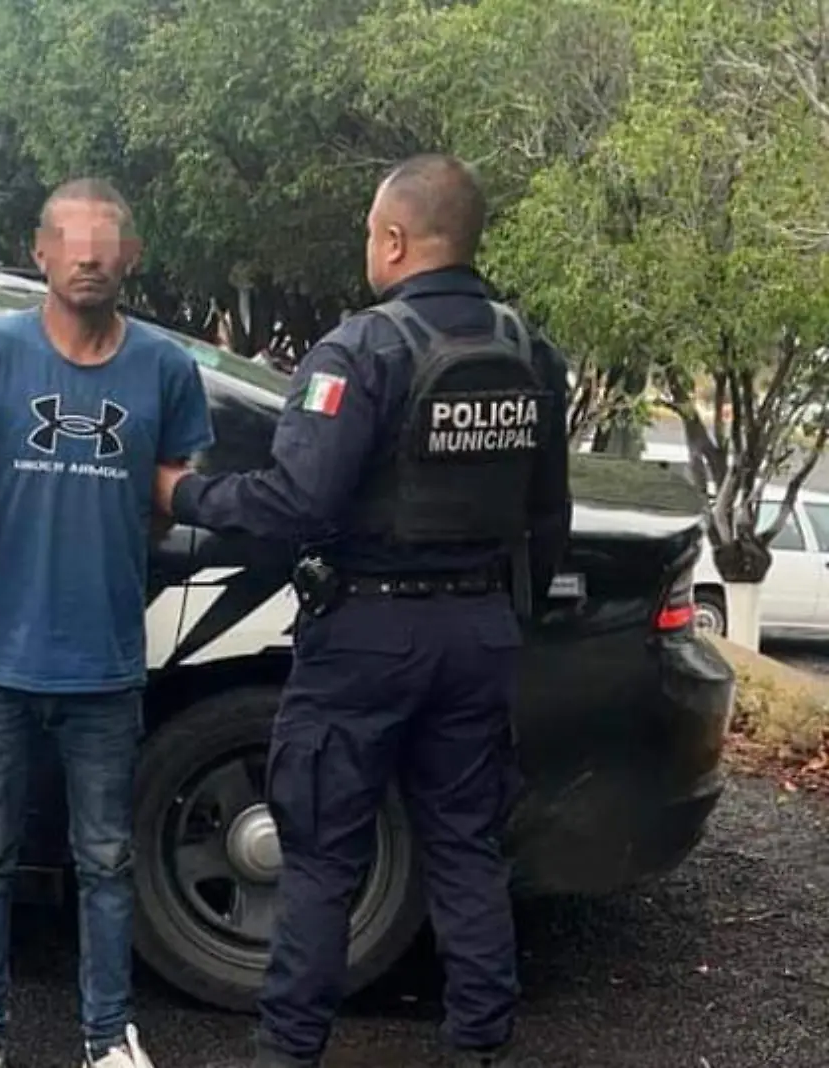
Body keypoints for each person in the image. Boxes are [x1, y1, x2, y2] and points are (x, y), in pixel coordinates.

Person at [157, 155, 573, 1068]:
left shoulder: (363, 350)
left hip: (368, 636)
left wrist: (184, 495)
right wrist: (506, 619)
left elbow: (295, 502)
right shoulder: (531, 351)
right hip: (480, 632)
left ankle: (290, 1051)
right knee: (466, 849)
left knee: (319, 855)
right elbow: (549, 517)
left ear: (393, 239)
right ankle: (479, 1048)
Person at [0, 178, 216, 1068]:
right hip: (0, 661)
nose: (89, 255)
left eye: (106, 240)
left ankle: (107, 1036)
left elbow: (168, 502)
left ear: (132, 256)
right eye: (70, 238)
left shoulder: (165, 369)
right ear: (40, 252)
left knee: (106, 860)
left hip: (106, 665)